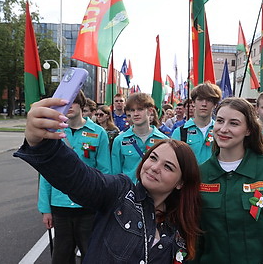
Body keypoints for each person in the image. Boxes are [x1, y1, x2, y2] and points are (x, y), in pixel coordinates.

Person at [14, 98, 202, 263]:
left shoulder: (182, 226)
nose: (154, 167)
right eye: (153, 158)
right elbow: (81, 178)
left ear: (181, 182)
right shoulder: (119, 192)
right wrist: (41, 144)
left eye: (168, 167)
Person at [193, 97, 263, 264]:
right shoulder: (199, 175)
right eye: (219, 121)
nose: (223, 129)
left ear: (248, 130)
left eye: (234, 123)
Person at [38, 91, 111, 264]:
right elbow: (46, 173)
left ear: (82, 105)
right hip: (60, 206)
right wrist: (45, 209)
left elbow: (105, 171)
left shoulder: (98, 133)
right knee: (61, 257)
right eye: (64, 103)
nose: (68, 106)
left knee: (91, 255)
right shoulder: (52, 133)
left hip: (88, 206)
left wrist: (104, 205)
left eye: (73, 102)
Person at [111, 93, 169, 183]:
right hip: (129, 192)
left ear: (150, 111)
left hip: (154, 193)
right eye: (132, 110)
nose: (135, 114)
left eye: (140, 109)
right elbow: (115, 174)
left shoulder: (164, 140)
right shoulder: (119, 140)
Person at [172, 82, 222, 164]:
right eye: (200, 99)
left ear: (215, 104)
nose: (204, 104)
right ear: (193, 103)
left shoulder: (221, 131)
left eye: (209, 100)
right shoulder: (180, 132)